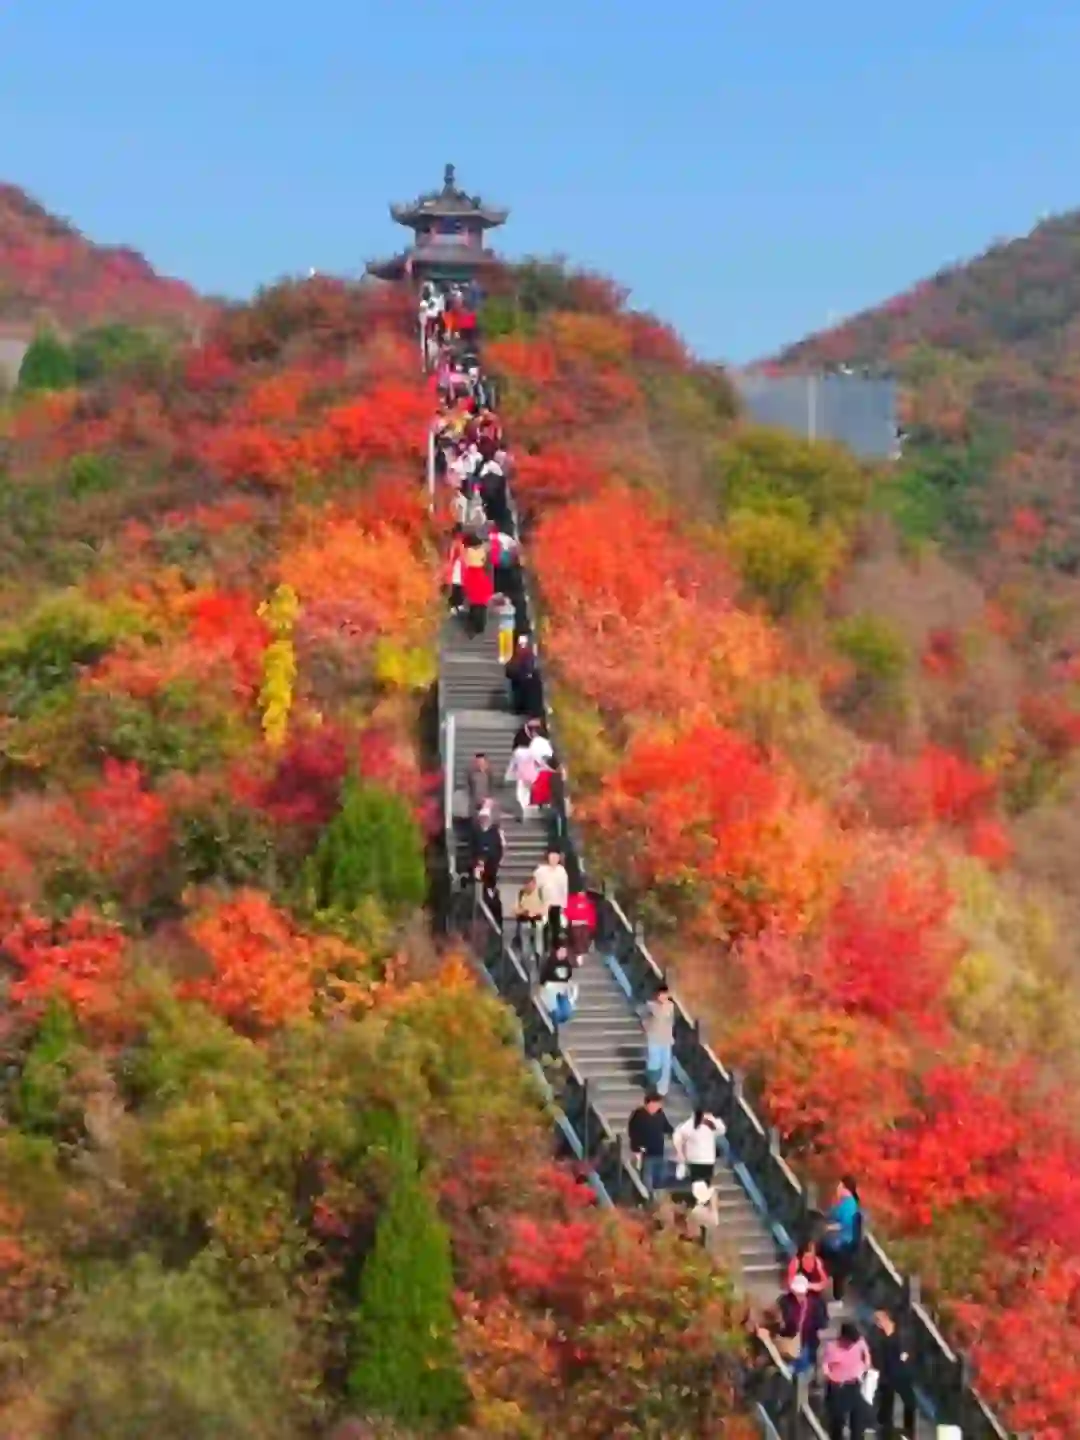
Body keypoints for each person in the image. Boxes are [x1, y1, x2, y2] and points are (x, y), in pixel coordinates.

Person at [821, 1322, 872, 1440]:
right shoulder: (832, 1347)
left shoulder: (859, 1342)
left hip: (854, 1383)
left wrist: (864, 1368)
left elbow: (866, 1356)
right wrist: (829, 1376)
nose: (851, 1344)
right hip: (838, 1386)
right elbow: (825, 1365)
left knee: (858, 1419)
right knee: (837, 1420)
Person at [771, 1271, 828, 1377]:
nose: (799, 1296)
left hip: (808, 1340)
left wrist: (818, 1322)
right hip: (789, 1340)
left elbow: (823, 1322)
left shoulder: (816, 1303)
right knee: (790, 1367)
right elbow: (775, 1318)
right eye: (797, 1293)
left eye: (801, 1294)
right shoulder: (784, 1301)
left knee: (804, 1368)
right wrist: (781, 1323)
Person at [871, 1309, 917, 1439]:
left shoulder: (900, 1332)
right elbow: (874, 1349)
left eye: (878, 1320)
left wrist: (906, 1355)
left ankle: (909, 1431)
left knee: (909, 1402)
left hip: (902, 1372)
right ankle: (885, 1431)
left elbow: (909, 1348)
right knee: (886, 1405)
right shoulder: (877, 1334)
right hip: (886, 1373)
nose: (877, 1324)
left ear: (886, 1319)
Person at [821, 1176, 863, 1302]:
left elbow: (845, 1223)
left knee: (837, 1271)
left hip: (842, 1244)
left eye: (839, 1186)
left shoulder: (849, 1205)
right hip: (836, 1243)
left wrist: (829, 1228)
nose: (837, 1189)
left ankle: (836, 1296)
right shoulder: (842, 1203)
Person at [627, 1091, 672, 1194]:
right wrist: (636, 1147)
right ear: (650, 1103)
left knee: (660, 1177)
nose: (660, 1106)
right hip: (645, 1152)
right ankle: (648, 1197)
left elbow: (667, 1127)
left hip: (659, 1150)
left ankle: (658, 1195)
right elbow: (633, 1132)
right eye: (658, 1103)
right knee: (647, 1178)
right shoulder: (639, 1115)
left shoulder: (660, 1114)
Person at [672, 1108, 724, 1184]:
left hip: (708, 1161)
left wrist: (712, 1119)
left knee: (705, 1184)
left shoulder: (710, 1125)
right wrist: (680, 1152)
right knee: (696, 1184)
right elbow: (678, 1136)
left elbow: (722, 1130)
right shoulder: (689, 1124)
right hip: (695, 1161)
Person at [642, 982, 675, 1097]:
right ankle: (652, 1085)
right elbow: (644, 1018)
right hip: (654, 1038)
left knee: (666, 1064)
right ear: (656, 994)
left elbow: (671, 1021)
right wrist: (647, 1029)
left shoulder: (670, 1006)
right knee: (654, 1063)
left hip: (666, 1039)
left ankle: (662, 1090)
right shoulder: (651, 1005)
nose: (663, 997)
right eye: (661, 994)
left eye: (665, 994)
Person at [533, 849, 569, 945]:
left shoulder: (562, 871)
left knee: (556, 929)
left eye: (556, 857)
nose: (554, 859)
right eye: (552, 856)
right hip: (543, 904)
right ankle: (543, 950)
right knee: (543, 928)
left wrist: (564, 906)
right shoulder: (540, 871)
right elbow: (535, 888)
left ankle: (555, 949)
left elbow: (564, 889)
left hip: (557, 904)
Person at [514, 876, 546, 975]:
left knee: (538, 947)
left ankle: (539, 969)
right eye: (528, 885)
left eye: (532, 884)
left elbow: (545, 908)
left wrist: (535, 912)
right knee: (525, 949)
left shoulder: (540, 893)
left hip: (537, 922)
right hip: (525, 922)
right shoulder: (521, 893)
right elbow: (516, 909)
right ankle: (527, 969)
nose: (530, 887)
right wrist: (524, 911)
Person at [504, 736, 540, 821]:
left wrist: (508, 775)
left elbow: (513, 764)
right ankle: (525, 813)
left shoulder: (518, 752)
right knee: (526, 796)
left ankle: (522, 812)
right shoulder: (533, 751)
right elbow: (538, 764)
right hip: (531, 776)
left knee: (520, 796)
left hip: (521, 776)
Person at [539, 944, 576, 1024]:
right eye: (561, 952)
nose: (563, 954)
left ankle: (561, 1016)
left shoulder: (566, 963)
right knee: (555, 1010)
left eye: (564, 952)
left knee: (566, 1010)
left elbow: (568, 975)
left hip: (562, 988)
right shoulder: (550, 962)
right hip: (551, 988)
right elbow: (544, 976)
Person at [506, 639, 542, 716]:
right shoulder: (528, 653)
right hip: (523, 676)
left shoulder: (517, 652)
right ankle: (522, 708)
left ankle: (517, 708)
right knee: (522, 693)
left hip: (517, 676)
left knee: (517, 693)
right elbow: (530, 665)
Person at [564, 888, 597, 960]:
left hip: (582, 925)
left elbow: (591, 914)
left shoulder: (587, 901)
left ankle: (580, 955)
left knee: (582, 937)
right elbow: (567, 912)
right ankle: (579, 955)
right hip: (576, 924)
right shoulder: (572, 899)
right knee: (578, 936)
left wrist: (591, 925)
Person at [466, 752, 492, 826]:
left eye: (481, 761)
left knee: (485, 823)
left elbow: (492, 786)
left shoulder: (489, 773)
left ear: (485, 761)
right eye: (477, 761)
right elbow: (469, 785)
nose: (479, 763)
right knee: (475, 823)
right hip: (475, 802)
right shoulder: (471, 773)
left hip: (486, 802)